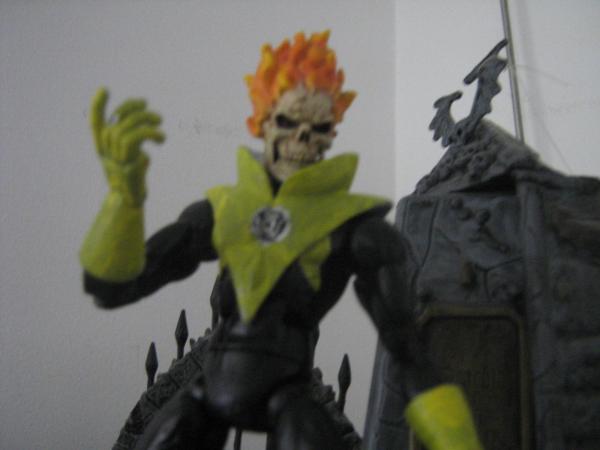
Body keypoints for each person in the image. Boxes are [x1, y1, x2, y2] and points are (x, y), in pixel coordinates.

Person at [80, 31, 482, 450]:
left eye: (318, 127)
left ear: (331, 132)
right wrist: (123, 202)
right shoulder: (226, 210)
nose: (302, 137)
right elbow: (111, 288)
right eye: (288, 122)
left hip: (290, 399)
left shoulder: (354, 230)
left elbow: (407, 349)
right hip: (207, 394)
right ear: (262, 122)